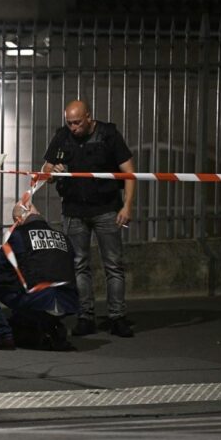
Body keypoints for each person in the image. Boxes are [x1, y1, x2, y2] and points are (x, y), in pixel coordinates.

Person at [41, 99, 135, 338]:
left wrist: (127, 206)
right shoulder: (62, 136)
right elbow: (45, 171)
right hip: (73, 210)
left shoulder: (108, 134)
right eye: (69, 123)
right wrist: (53, 173)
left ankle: (117, 317)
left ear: (89, 117)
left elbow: (130, 172)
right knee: (79, 265)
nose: (73, 128)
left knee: (113, 265)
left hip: (106, 208)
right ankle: (85, 317)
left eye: (77, 123)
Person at [0, 203, 78, 350]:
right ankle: (52, 327)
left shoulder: (19, 235)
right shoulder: (63, 237)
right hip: (67, 303)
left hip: (38, 300)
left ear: (18, 220)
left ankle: (3, 334)